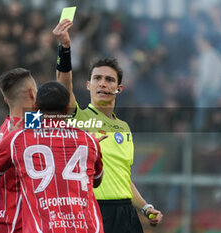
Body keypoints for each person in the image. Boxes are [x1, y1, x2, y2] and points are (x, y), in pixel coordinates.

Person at [52, 19, 163, 233]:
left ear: (119, 88)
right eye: (97, 78)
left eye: (109, 80)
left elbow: (123, 178)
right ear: (89, 85)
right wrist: (65, 48)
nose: (103, 83)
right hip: (93, 211)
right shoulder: (79, 117)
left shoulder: (124, 128)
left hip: (126, 215)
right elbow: (63, 85)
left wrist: (146, 208)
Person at [0, 81, 104, 233]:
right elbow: (97, 181)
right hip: (87, 228)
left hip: (44, 228)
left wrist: (2, 146)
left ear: (36, 107)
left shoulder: (17, 139)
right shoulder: (89, 140)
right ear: (68, 108)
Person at [0, 67, 37, 232]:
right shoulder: (26, 129)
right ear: (33, 94)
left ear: (6, 100)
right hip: (20, 224)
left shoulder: (4, 130)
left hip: (7, 222)